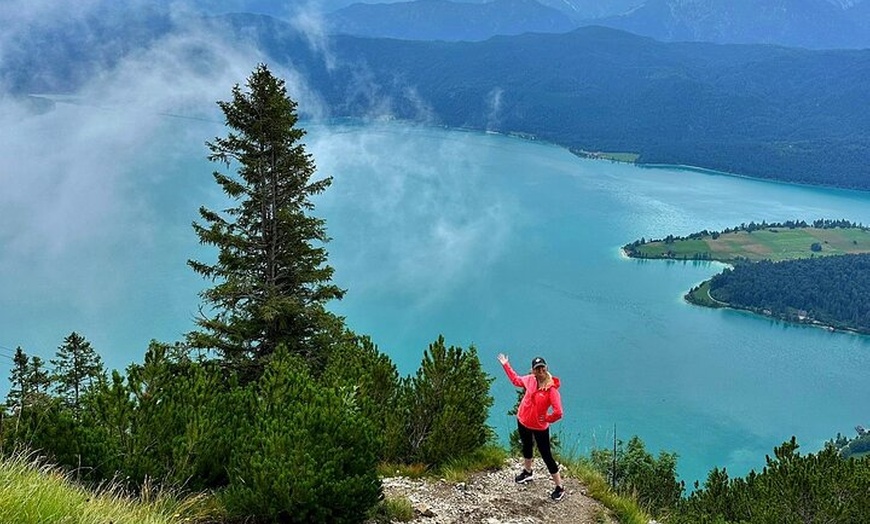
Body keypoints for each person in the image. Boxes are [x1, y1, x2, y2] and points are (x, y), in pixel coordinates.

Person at [497, 353, 565, 502]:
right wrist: (506, 365)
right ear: (533, 370)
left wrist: (547, 418)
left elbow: (558, 412)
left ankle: (559, 487)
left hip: (540, 427)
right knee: (526, 447)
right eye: (537, 369)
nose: (540, 371)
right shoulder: (530, 380)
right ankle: (528, 472)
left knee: (546, 455)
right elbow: (516, 380)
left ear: (546, 368)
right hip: (523, 421)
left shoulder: (551, 389)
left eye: (542, 368)